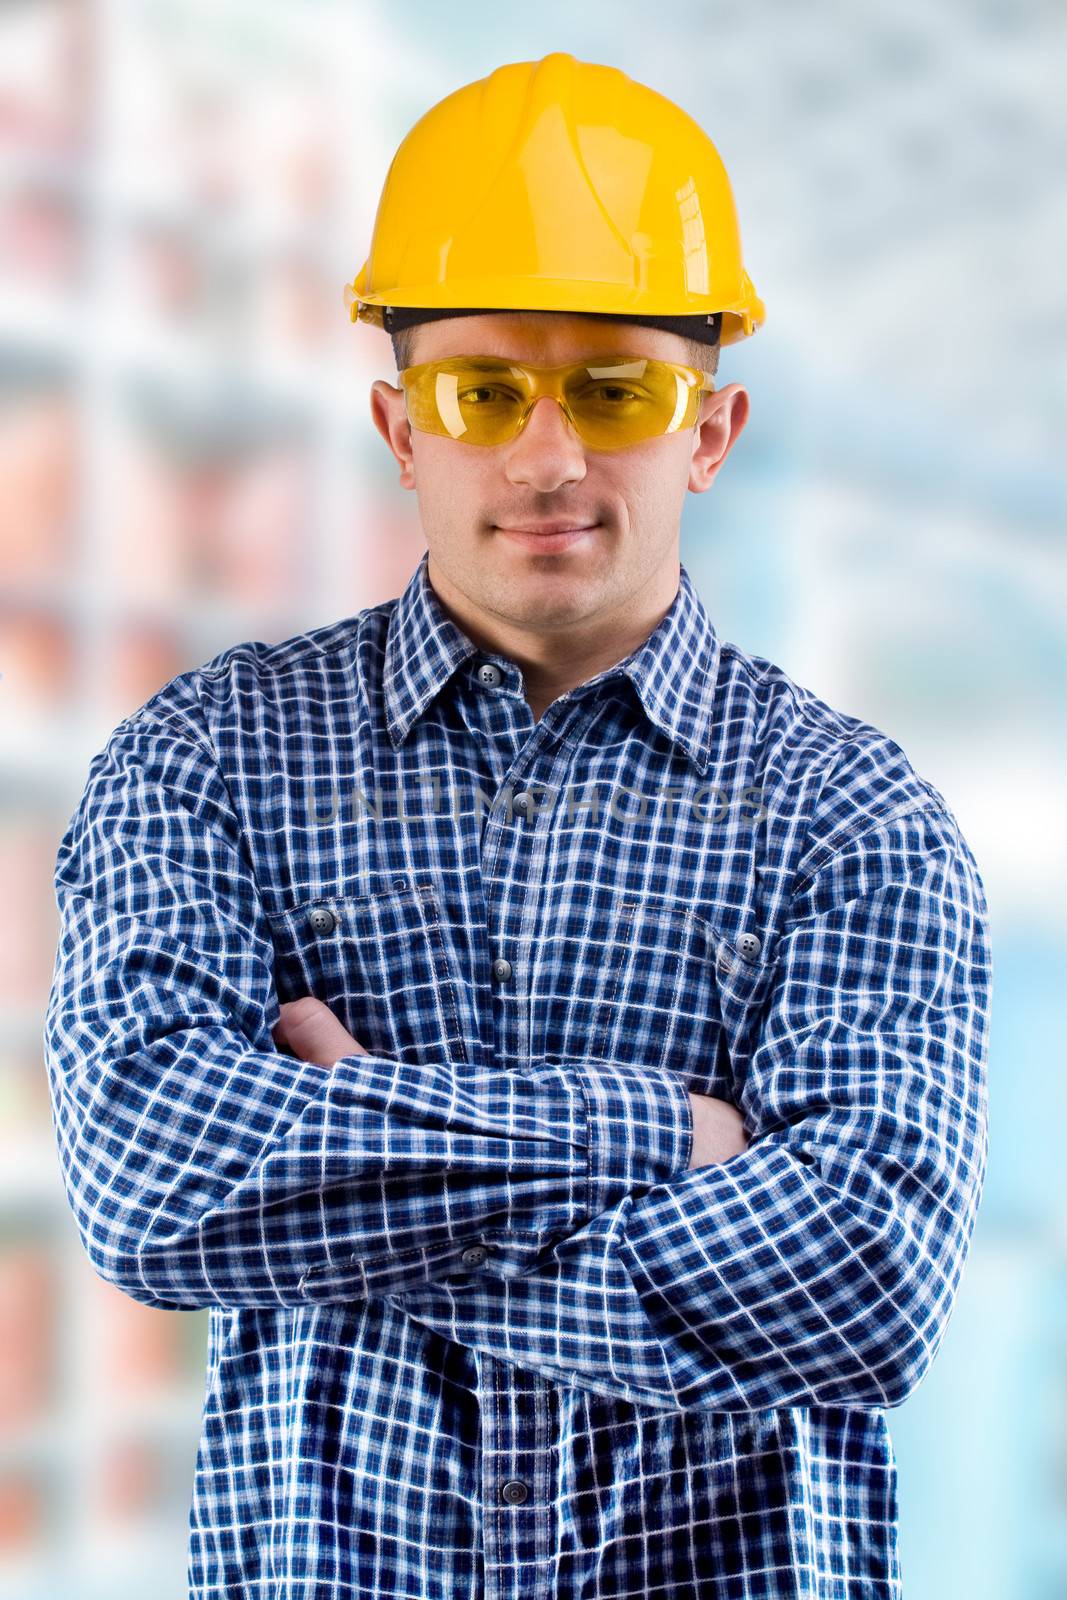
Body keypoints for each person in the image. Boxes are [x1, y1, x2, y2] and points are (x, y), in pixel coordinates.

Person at [44, 51, 991, 1599]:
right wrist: (653, 1138)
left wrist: (365, 1153)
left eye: (615, 388)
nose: (547, 457)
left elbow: (864, 1284)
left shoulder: (855, 815)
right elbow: (157, 1180)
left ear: (711, 427)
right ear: (399, 423)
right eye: (484, 391)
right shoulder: (209, 761)